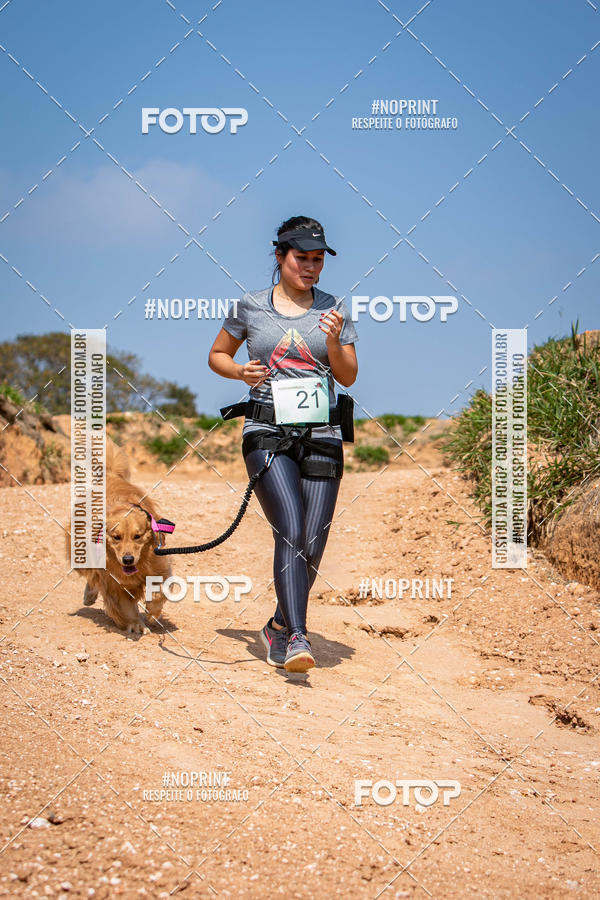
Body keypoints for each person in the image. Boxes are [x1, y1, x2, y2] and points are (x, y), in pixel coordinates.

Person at [208, 215, 358, 672]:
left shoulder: (333, 310)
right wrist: (240, 372)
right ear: (280, 256)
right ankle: (296, 636)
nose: (309, 268)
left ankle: (277, 624)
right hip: (266, 431)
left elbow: (348, 375)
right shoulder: (250, 306)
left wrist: (333, 342)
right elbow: (217, 355)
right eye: (301, 258)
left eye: (317, 260)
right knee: (290, 531)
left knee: (312, 542)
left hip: (323, 436)